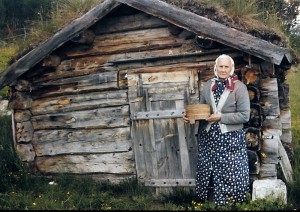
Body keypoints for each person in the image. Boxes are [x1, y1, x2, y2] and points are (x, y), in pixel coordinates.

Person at [183, 54, 251, 206]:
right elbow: (202, 110)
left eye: (226, 67)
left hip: (230, 139)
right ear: (216, 67)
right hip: (209, 138)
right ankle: (209, 202)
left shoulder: (240, 87)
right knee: (208, 169)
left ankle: (232, 204)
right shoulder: (208, 85)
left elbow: (245, 115)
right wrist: (190, 117)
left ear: (231, 68)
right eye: (221, 66)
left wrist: (221, 118)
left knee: (231, 172)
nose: (223, 69)